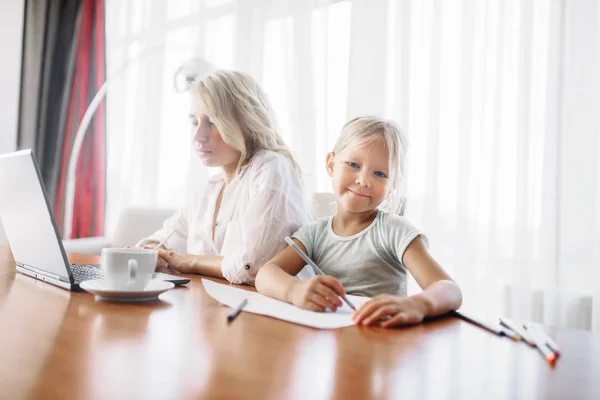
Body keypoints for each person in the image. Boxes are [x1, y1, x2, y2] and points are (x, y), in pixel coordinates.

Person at [255, 117, 462, 328]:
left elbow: (450, 290)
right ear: (331, 164)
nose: (363, 180)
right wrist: (294, 290)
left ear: (392, 187)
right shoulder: (314, 233)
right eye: (354, 164)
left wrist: (417, 304)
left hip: (383, 342)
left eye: (380, 173)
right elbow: (265, 275)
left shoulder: (395, 231)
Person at [136, 70, 308, 284]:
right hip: (213, 305)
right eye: (194, 122)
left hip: (264, 309)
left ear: (246, 123)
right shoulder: (208, 190)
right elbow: (165, 240)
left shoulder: (271, 168)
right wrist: (149, 252)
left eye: (212, 123)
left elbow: (253, 266)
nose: (198, 136)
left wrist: (193, 262)